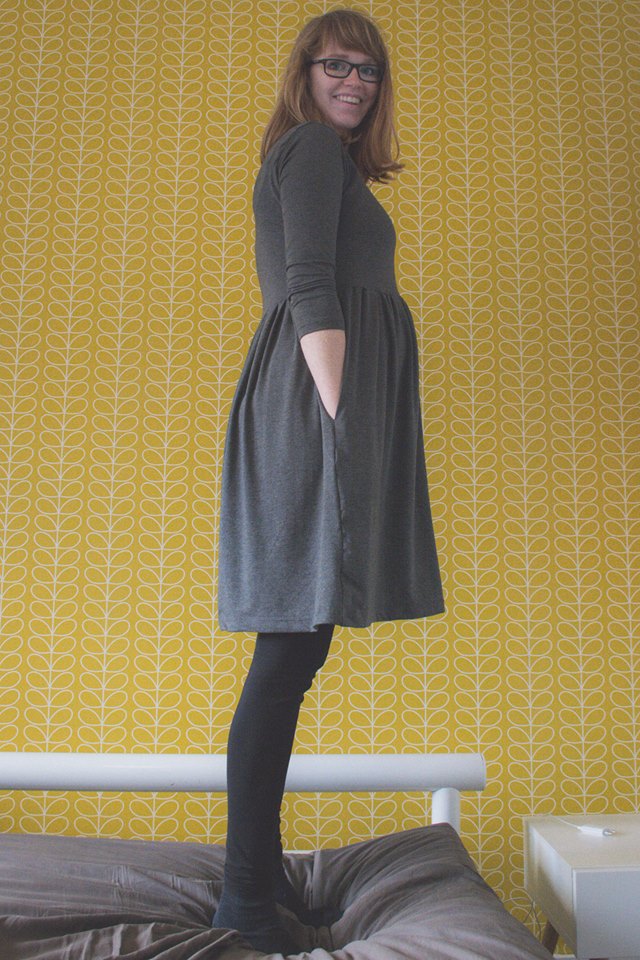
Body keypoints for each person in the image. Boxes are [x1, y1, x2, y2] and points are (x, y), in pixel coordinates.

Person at [212, 7, 445, 955]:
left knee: (296, 652)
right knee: (287, 655)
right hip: (317, 411)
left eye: (369, 69)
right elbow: (310, 283)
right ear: (303, 72)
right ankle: (242, 902)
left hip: (324, 410)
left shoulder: (332, 164)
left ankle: (257, 881)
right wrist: (342, 418)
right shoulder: (309, 147)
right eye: (335, 64)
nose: (354, 81)